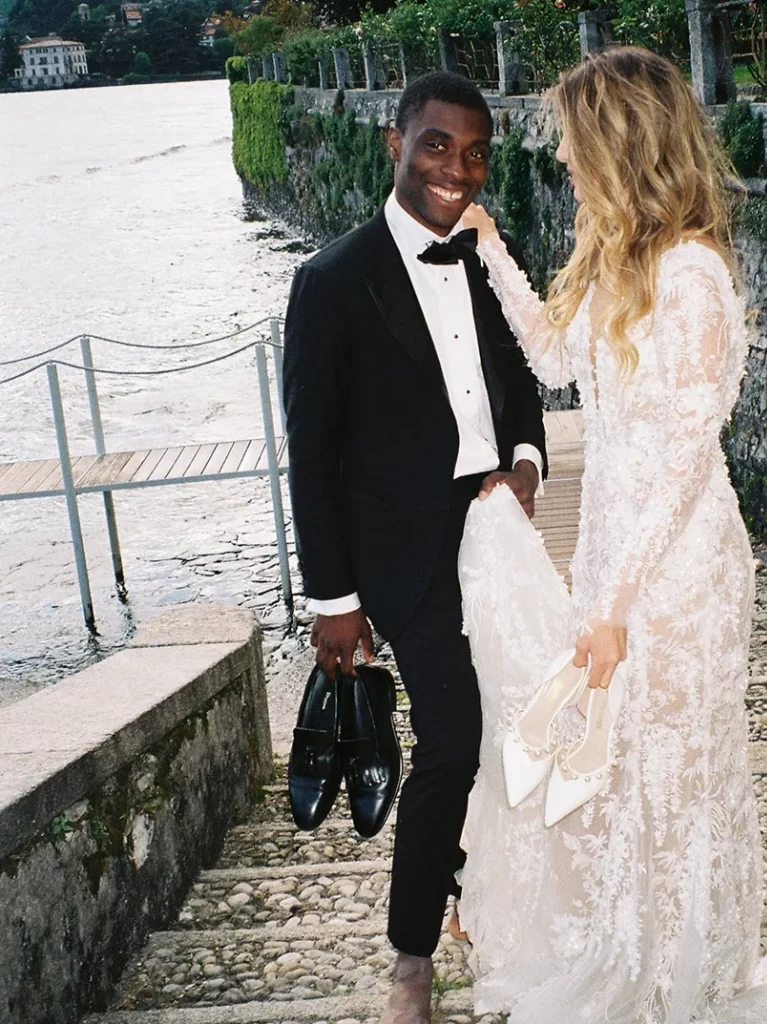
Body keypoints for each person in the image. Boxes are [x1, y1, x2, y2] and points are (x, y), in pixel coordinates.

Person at [456, 47, 767, 1023]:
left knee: (676, 771)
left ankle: (684, 976)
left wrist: (615, 604)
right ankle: (641, 960)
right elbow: (552, 359)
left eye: (573, 142)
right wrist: (488, 244)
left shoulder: (691, 274)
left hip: (678, 565)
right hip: (612, 546)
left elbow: (687, 459)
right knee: (620, 770)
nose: (562, 159)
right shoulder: (619, 264)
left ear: (620, 145)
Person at [281, 71, 547, 1024]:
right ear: (396, 143)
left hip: (497, 533)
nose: (456, 170)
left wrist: (525, 466)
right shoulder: (330, 282)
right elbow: (312, 455)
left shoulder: (482, 259)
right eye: (437, 145)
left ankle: (479, 889)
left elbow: (521, 382)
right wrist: (332, 600)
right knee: (454, 736)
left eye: (475, 154)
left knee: (525, 717)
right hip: (405, 555)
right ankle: (411, 957)